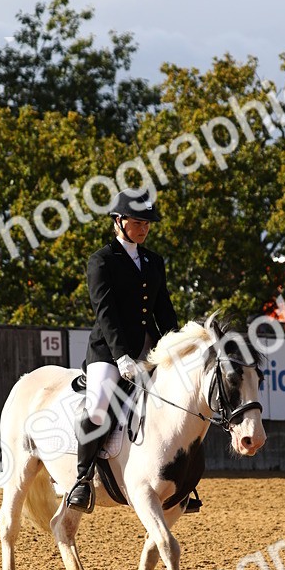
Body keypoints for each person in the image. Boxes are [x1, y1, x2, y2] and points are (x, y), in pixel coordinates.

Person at [65, 187, 179, 511]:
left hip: (149, 348)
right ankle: (82, 480)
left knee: (177, 400)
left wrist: (176, 345)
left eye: (148, 223)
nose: (144, 228)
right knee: (99, 405)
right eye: (138, 222)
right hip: (109, 351)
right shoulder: (101, 260)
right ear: (118, 220)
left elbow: (164, 311)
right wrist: (121, 356)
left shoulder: (154, 261)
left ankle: (180, 478)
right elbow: (106, 312)